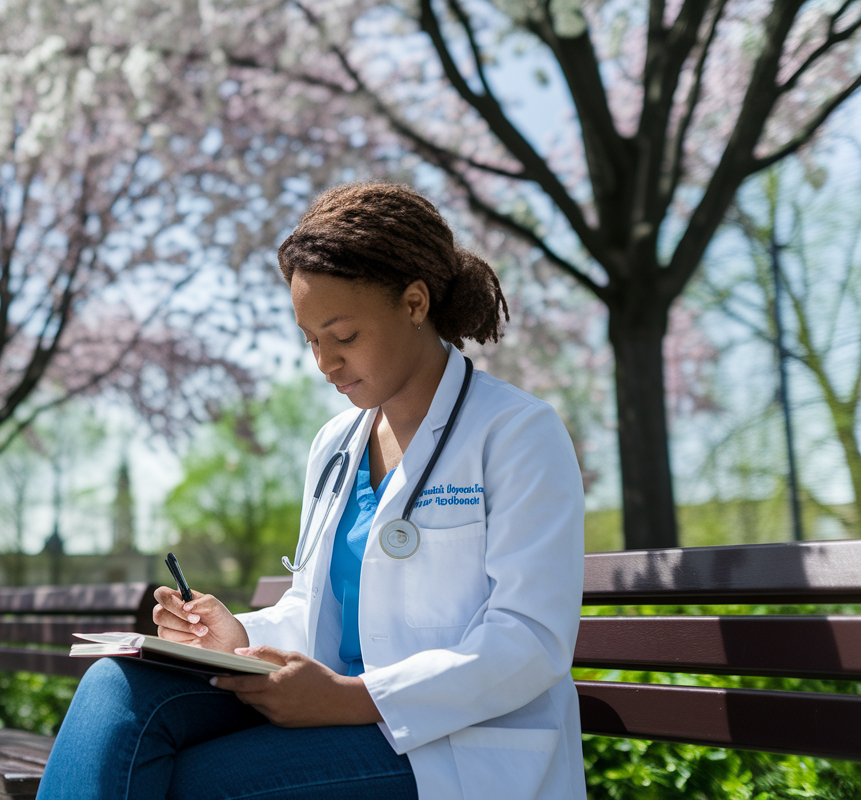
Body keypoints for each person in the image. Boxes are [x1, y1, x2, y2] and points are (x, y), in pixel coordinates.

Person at [36, 182, 586, 799]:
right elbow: (316, 608)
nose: (324, 363)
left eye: (343, 336)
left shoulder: (516, 433)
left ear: (413, 303)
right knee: (119, 686)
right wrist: (237, 638)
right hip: (336, 709)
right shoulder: (336, 445)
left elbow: (531, 641)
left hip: (458, 749)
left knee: (190, 785)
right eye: (310, 340)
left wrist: (353, 698)